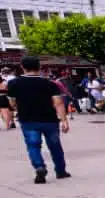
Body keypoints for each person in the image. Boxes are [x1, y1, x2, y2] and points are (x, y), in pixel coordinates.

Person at [7, 56, 70, 184]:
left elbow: (12, 104)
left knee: (33, 145)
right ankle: (60, 170)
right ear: (39, 67)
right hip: (50, 120)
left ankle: (39, 167)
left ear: (22, 67)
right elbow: (58, 102)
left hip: (28, 119)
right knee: (55, 146)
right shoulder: (50, 84)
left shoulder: (14, 83)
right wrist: (64, 120)